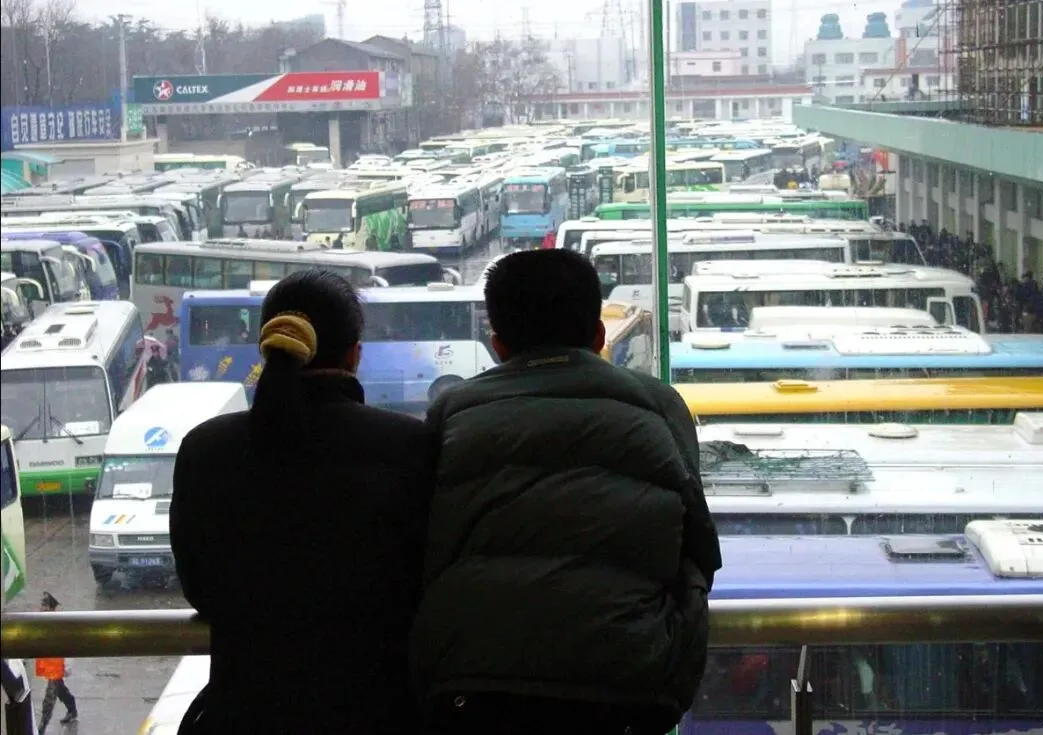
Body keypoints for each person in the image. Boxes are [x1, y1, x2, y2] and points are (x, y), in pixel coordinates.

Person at [411, 249, 722, 735]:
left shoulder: (452, 410)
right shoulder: (658, 404)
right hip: (628, 680)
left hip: (475, 684)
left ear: (497, 345)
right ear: (599, 335)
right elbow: (700, 547)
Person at [170, 269, 435, 734]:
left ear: (269, 345)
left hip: (246, 712)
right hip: (378, 711)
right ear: (354, 354)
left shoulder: (205, 449)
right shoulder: (411, 446)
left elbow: (201, 588)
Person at [36, 593, 77, 733]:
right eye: (42, 605)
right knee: (59, 688)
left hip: (56, 665)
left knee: (50, 697)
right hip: (49, 665)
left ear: (51, 608)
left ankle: (42, 726)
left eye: (44, 605)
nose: (41, 608)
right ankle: (72, 708)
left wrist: (67, 666)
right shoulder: (41, 621)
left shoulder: (57, 624)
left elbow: (68, 645)